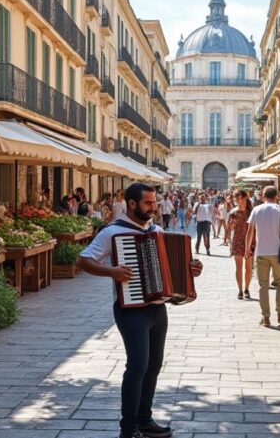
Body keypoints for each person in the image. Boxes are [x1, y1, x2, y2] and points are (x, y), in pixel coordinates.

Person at [76, 183, 204, 438]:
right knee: (137, 367)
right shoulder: (112, 232)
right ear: (132, 203)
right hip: (131, 310)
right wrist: (111, 271)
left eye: (154, 202)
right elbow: (84, 260)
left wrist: (192, 269)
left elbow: (174, 268)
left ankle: (145, 421)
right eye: (148, 203)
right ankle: (128, 429)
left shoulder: (157, 231)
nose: (153, 207)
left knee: (153, 365)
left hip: (157, 309)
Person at [246, 185, 280, 327]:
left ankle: (266, 317)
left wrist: (247, 249)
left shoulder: (256, 210)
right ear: (277, 196)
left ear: (263, 196)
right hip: (278, 253)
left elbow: (250, 231)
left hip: (261, 252)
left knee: (263, 286)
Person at [227, 190, 254, 300]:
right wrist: (231, 225)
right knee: (238, 268)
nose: (236, 200)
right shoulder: (233, 212)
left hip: (250, 241)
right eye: (235, 198)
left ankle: (247, 288)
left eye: (237, 198)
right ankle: (240, 290)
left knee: (248, 268)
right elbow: (230, 228)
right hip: (237, 240)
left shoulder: (251, 212)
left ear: (244, 198)